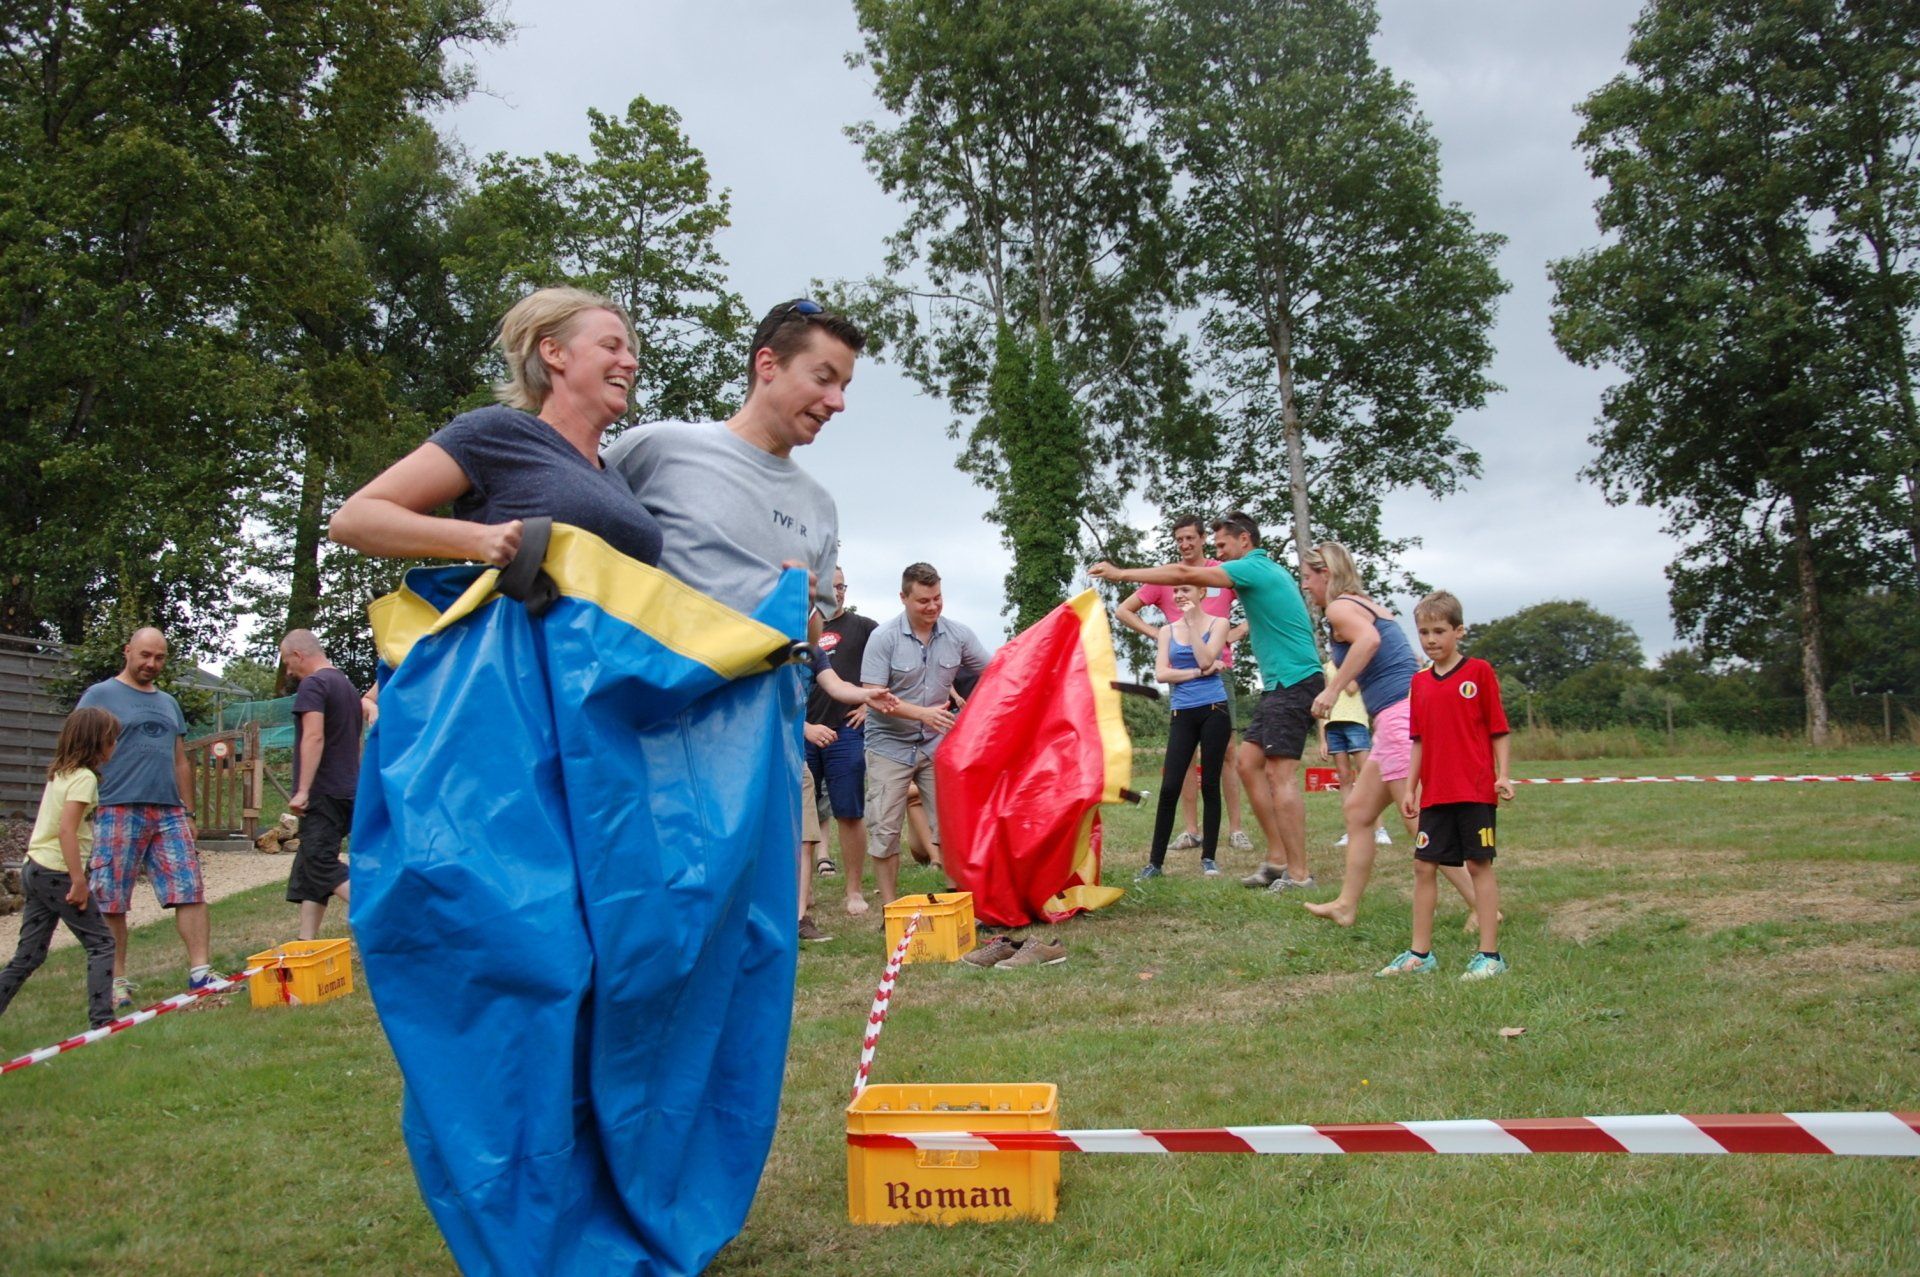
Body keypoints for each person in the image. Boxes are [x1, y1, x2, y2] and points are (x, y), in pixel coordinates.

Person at [332, 287, 800, 1275]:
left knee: (625, 967)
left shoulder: (615, 478)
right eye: (612, 343)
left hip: (607, 758)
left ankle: (615, 1207)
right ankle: (530, 1227)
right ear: (552, 353)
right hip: (502, 744)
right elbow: (359, 516)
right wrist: (491, 543)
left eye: (631, 346)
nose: (629, 359)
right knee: (534, 966)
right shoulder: (498, 435)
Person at [606, 298, 889, 943]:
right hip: (652, 743)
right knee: (651, 925)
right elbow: (581, 546)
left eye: (845, 385)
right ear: (768, 364)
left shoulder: (818, 505)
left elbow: (814, 642)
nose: (838, 401)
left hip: (762, 746)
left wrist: (800, 601)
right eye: (824, 377)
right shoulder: (658, 450)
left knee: (740, 932)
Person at [1092, 513, 1323, 892]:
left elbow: (1187, 575)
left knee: (1279, 775)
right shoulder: (1256, 569)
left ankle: (1299, 875)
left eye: (1221, 546)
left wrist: (1120, 574)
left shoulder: (1252, 568)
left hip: (1295, 679)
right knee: (1249, 765)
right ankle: (1278, 860)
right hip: (1280, 682)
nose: (1217, 554)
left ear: (1244, 540)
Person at [1299, 543, 1485, 928]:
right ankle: (1346, 906)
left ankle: (1483, 906)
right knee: (1358, 811)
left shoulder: (1341, 607)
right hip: (1397, 718)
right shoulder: (1368, 605)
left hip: (1400, 719)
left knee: (1416, 819)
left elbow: (1370, 642)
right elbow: (1409, 660)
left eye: (1307, 577)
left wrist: (1332, 691)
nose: (1305, 586)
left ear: (1326, 574)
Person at [1379, 590, 1514, 980]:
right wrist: (1410, 787)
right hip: (1434, 793)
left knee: (1478, 865)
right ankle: (1420, 954)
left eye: (1439, 631)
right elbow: (1417, 739)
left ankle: (1490, 955)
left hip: (1473, 789)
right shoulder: (1419, 683)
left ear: (1459, 631)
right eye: (1423, 632)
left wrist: (1502, 773)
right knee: (1424, 867)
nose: (1431, 639)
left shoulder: (1479, 673)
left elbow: (1498, 730)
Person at [76, 628, 213, 1001]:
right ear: (128, 652)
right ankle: (116, 981)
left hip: (169, 811)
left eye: (159, 658)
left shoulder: (169, 702)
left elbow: (180, 760)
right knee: (112, 897)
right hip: (117, 805)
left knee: (190, 888)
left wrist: (189, 812)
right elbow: (78, 747)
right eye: (145, 656)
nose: (151, 664)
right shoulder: (100, 695)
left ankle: (201, 973)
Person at [1114, 514, 1250, 852]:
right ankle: (1191, 830)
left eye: (1191, 538)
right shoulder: (1168, 577)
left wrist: (1233, 634)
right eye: (1180, 540)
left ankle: (1235, 829)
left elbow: (1256, 606)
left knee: (1228, 753)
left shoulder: (1222, 572)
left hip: (1221, 670)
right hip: (1181, 675)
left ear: (1203, 539)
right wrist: (1159, 635)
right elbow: (1123, 610)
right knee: (1186, 756)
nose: (1186, 544)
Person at [861, 562, 992, 904]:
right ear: (903, 598)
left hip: (937, 745)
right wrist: (922, 714)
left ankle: (957, 899)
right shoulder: (883, 638)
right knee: (885, 828)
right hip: (888, 745)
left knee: (951, 824)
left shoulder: (958, 635)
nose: (932, 606)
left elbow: (995, 672)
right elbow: (873, 696)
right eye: (923, 600)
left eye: (937, 598)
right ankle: (890, 908)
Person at [0, 708, 121, 1029]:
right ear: (97, 742)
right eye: (112, 739)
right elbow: (67, 830)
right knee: (101, 944)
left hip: (35, 869)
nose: (115, 746)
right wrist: (78, 881)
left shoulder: (61, 773)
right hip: (57, 874)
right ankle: (103, 1022)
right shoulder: (84, 778)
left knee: (29, 957)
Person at [1136, 583, 1231, 879]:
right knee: (1169, 787)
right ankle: (1155, 863)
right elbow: (1162, 673)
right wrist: (1197, 672)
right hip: (1182, 711)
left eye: (1186, 590)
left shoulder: (1220, 624)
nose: (1179, 595)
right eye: (1175, 591)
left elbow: (1205, 657)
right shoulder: (1166, 631)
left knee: (1210, 785)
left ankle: (1209, 858)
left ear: (1201, 593)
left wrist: (1192, 627)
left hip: (1215, 709)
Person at [806, 567, 880, 915]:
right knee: (800, 816)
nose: (838, 593)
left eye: (842, 586)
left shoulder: (864, 628)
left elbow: (891, 668)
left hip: (845, 731)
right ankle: (802, 895)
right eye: (831, 587)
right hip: (802, 731)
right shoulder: (800, 633)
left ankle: (853, 891)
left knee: (849, 812)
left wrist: (867, 703)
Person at [279, 629, 361, 941]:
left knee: (320, 861)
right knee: (308, 865)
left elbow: (314, 736)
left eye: (288, 662)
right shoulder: (346, 685)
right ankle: (306, 943)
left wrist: (302, 790)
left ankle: (382, 913)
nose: (289, 671)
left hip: (323, 791)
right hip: (347, 789)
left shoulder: (314, 684)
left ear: (299, 655)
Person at [1316, 660, 1386, 847]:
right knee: (1344, 779)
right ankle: (1352, 830)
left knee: (1366, 777)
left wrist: (1343, 665)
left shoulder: (1358, 661)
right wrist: (1322, 739)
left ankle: (1380, 830)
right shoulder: (1327, 666)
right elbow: (1323, 699)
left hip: (1355, 722)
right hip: (1333, 724)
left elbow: (1351, 688)